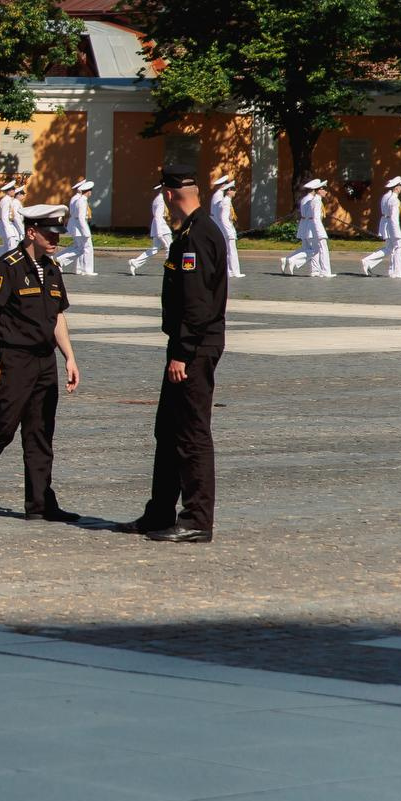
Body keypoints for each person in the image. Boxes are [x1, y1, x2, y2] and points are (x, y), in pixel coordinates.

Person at [0, 205, 83, 522]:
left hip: (44, 361)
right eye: (50, 235)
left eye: (58, 235)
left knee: (40, 432)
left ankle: (39, 503)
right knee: (3, 427)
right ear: (31, 232)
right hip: (14, 360)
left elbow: (57, 316)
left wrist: (70, 357)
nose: (56, 241)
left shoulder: (51, 268)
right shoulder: (6, 267)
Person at [119, 166, 227, 543]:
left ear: (168, 194)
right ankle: (159, 512)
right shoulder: (194, 231)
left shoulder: (197, 236)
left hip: (193, 348)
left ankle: (197, 518)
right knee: (167, 431)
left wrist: (181, 352)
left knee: (191, 434)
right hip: (186, 345)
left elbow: (197, 304)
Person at [284, 178, 332, 277]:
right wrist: (319, 231)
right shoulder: (312, 200)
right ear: (317, 190)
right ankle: (292, 260)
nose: (325, 191)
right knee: (314, 250)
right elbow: (312, 217)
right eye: (323, 188)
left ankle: (315, 270)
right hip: (311, 227)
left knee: (312, 249)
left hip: (310, 226)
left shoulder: (311, 199)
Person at [364, 176, 401, 278]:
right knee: (398, 248)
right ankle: (398, 272)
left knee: (390, 249)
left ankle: (391, 271)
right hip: (392, 226)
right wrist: (397, 233)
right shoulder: (394, 200)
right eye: (400, 186)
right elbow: (394, 218)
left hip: (386, 224)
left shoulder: (386, 196)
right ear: (396, 188)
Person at [126, 181, 171, 275]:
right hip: (162, 228)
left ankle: (135, 262)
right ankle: (169, 270)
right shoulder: (160, 200)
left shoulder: (157, 199)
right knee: (169, 248)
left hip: (159, 227)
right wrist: (159, 233)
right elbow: (158, 217)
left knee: (154, 249)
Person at [54, 179, 96, 276]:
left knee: (79, 248)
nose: (91, 192)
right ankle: (60, 260)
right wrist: (86, 232)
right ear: (88, 191)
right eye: (90, 191)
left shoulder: (78, 199)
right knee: (85, 248)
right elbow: (81, 218)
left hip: (77, 226)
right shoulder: (81, 201)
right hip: (80, 227)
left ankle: (80, 268)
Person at [209, 174, 245, 280]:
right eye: (233, 189)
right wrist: (228, 232)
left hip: (223, 228)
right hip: (225, 229)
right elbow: (222, 218)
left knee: (228, 251)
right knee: (231, 251)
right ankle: (235, 271)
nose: (235, 191)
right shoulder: (223, 200)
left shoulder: (223, 199)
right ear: (228, 190)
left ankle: (229, 271)